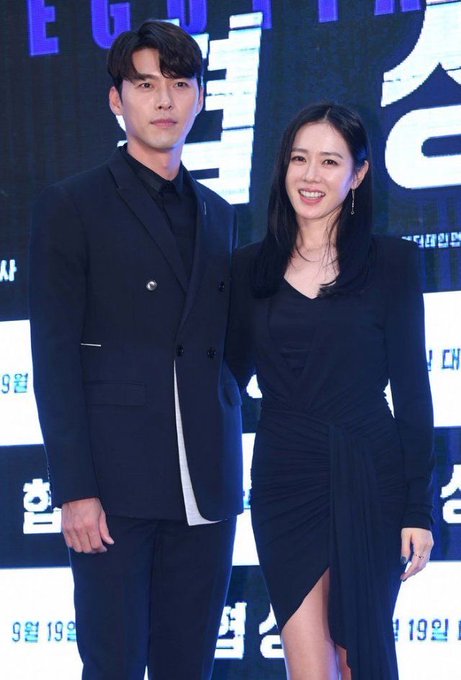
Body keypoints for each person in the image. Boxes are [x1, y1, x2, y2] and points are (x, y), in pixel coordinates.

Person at [29, 19, 243, 680]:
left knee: (189, 667)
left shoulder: (218, 212)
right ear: (116, 99)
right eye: (146, 84)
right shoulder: (73, 204)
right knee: (114, 664)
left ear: (200, 97)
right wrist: (75, 490)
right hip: (113, 487)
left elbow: (228, 346)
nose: (165, 100)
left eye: (180, 83)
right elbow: (54, 357)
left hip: (206, 485)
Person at [226, 102, 434, 679]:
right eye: (299, 159)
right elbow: (226, 381)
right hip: (284, 476)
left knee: (355, 656)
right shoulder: (247, 270)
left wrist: (418, 506)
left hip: (368, 471)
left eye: (329, 161)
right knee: (310, 668)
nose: (310, 175)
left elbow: (413, 391)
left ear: (358, 174)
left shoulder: (392, 263)